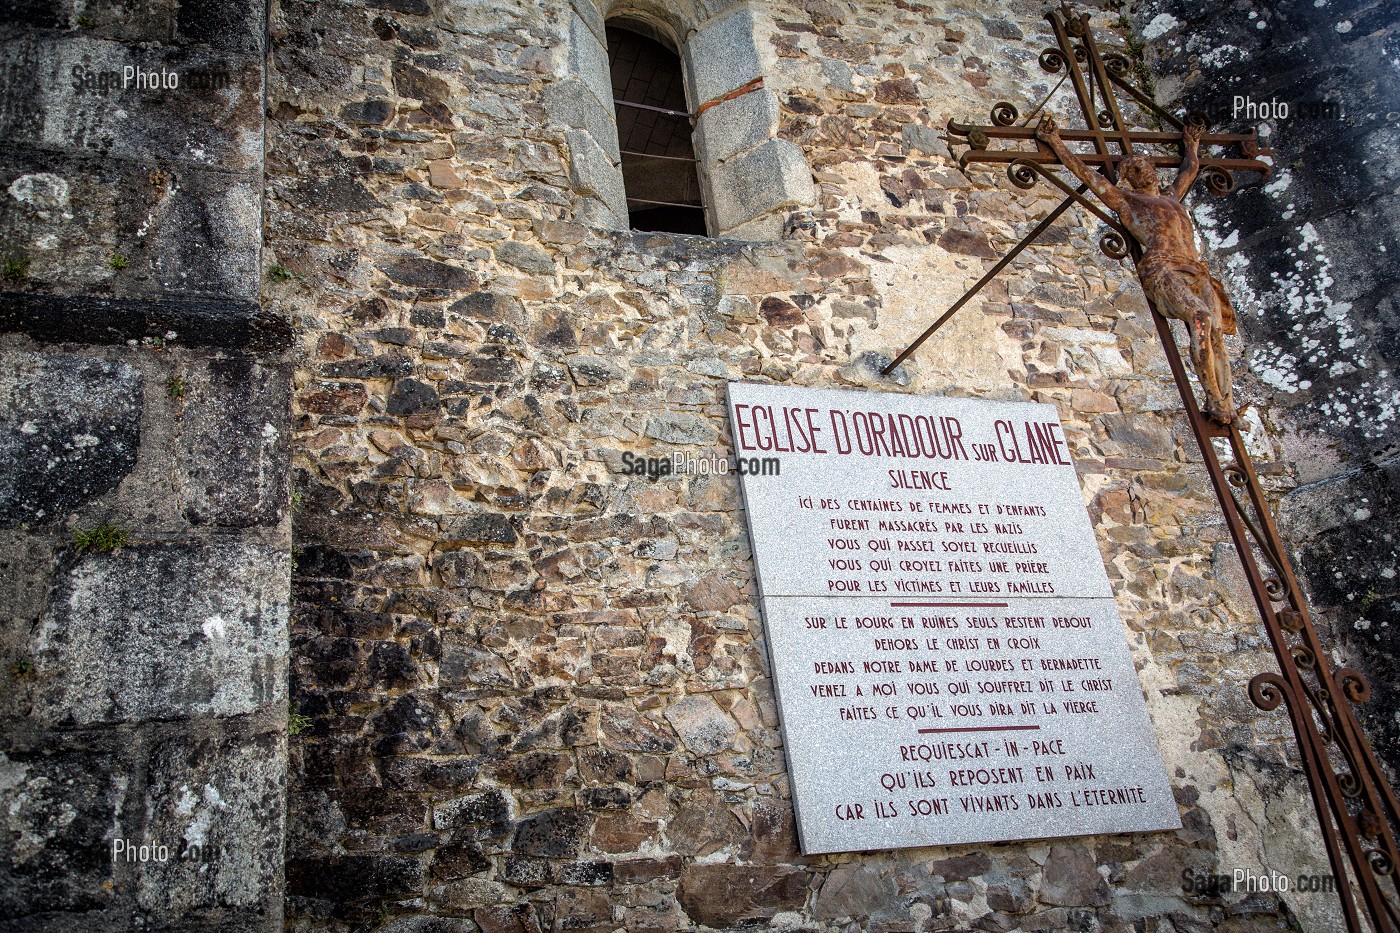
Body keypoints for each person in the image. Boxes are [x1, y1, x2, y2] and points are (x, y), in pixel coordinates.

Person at [1035, 115, 1238, 425]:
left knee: (1217, 332)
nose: (1144, 169)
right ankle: (1212, 397)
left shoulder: (1171, 197)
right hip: (1163, 268)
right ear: (1128, 178)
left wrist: (1191, 144)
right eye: (1134, 168)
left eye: (1144, 164)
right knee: (1201, 318)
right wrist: (1055, 142)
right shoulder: (1125, 200)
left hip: (1195, 269)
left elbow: (1190, 169)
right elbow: (1087, 175)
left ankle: (1227, 401)